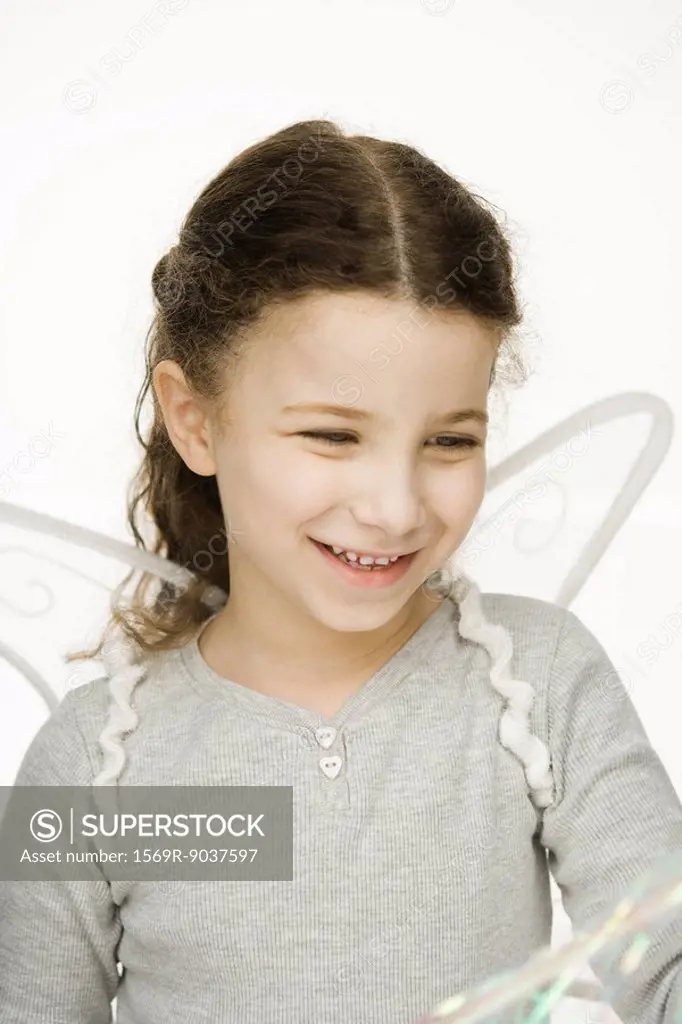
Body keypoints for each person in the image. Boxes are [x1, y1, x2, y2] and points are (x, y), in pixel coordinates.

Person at [2, 118, 682, 1024]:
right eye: (332, 435)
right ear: (196, 419)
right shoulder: (94, 765)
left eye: (449, 440)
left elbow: (662, 961)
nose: (395, 507)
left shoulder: (540, 682)